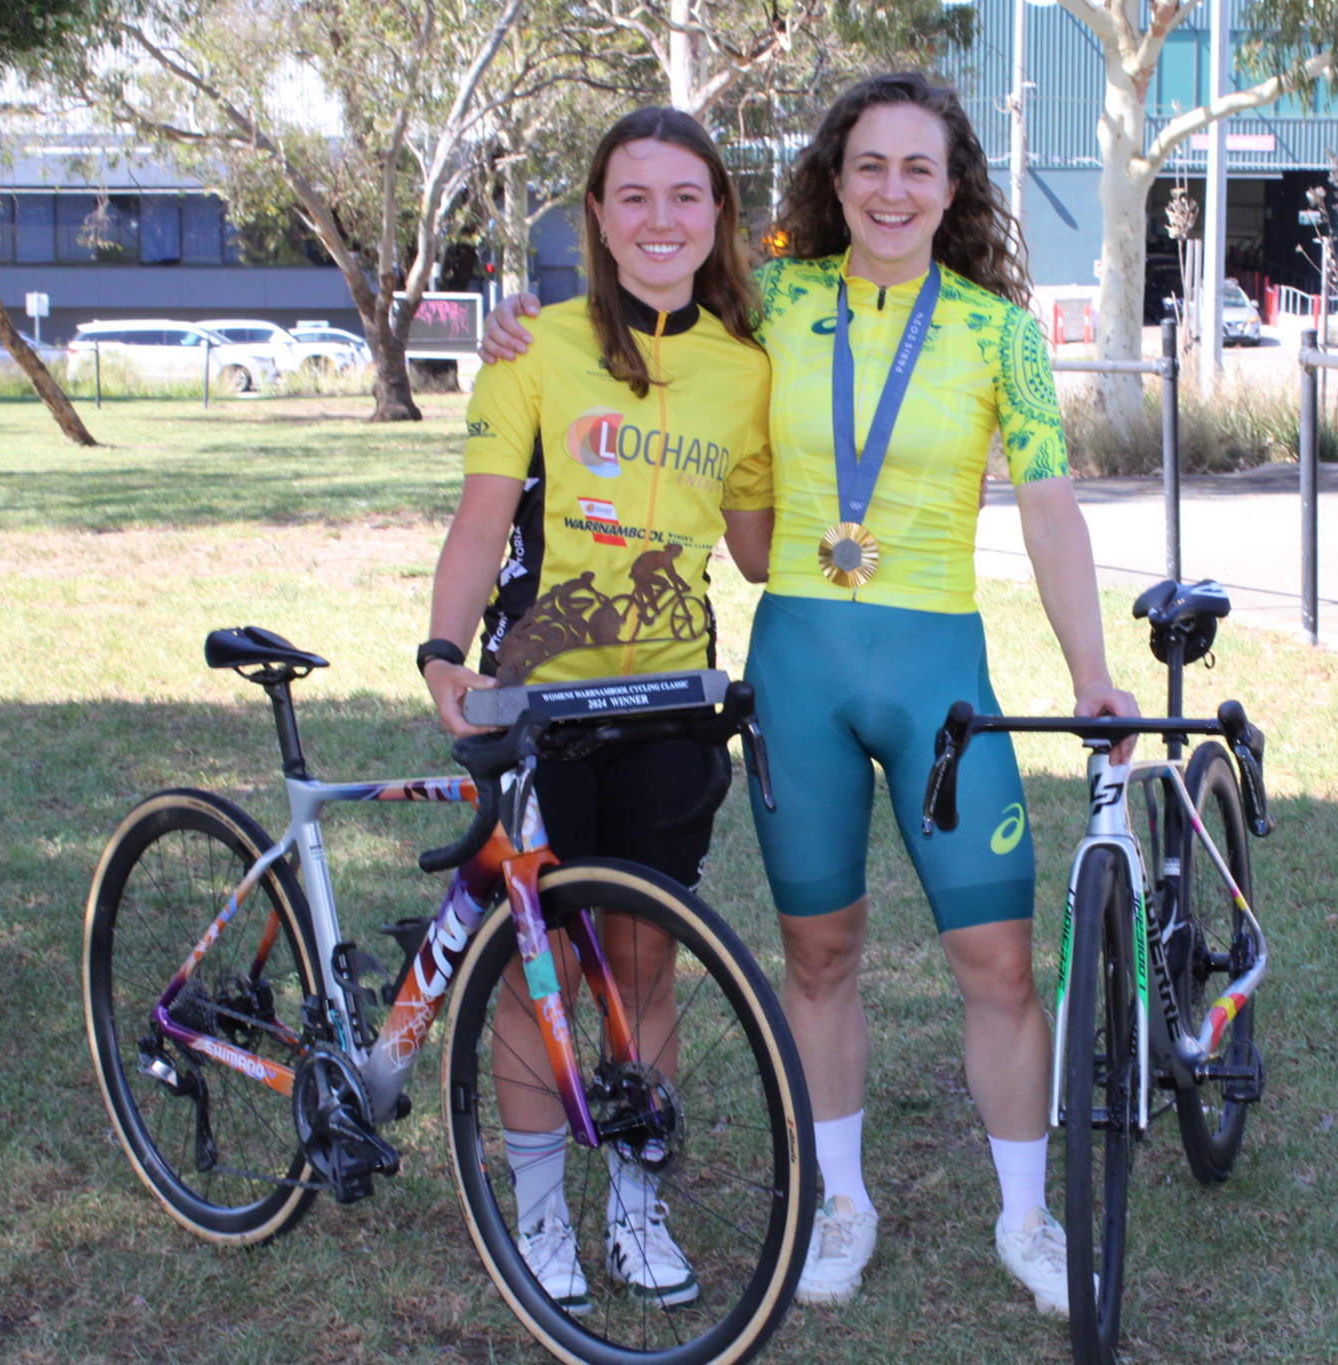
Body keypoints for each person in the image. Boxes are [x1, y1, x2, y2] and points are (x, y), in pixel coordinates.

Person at [481, 72, 1137, 1320]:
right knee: (817, 953)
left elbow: (1049, 509)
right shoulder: (773, 300)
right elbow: (643, 301)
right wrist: (524, 319)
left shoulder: (1000, 331)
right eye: (869, 167)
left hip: (939, 673)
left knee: (998, 962)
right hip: (796, 667)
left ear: (954, 190)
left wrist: (1089, 673)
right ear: (833, 183)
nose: (892, 190)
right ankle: (840, 1204)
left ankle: (1027, 1219)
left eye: (918, 169)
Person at [418, 106, 773, 1312]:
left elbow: (762, 546)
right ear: (599, 216)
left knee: (643, 967)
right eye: (634, 196)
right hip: (538, 707)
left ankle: (633, 1207)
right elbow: (479, 522)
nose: (660, 219)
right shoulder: (534, 348)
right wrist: (438, 654)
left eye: (685, 196)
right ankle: (537, 1222)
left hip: (671, 706)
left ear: (716, 215)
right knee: (537, 974)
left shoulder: (748, 367)